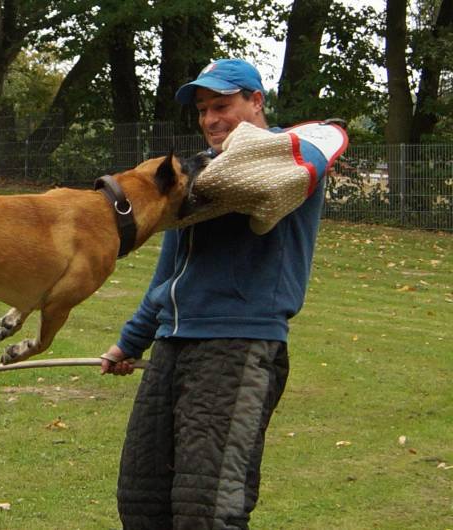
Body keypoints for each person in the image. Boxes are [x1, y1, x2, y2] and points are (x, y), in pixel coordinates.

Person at [99, 58, 346, 529]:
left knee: (207, 509)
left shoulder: (288, 161)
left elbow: (313, 147)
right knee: (142, 502)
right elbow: (169, 274)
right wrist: (129, 342)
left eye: (222, 106)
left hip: (238, 344)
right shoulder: (194, 179)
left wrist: (178, 187)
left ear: (257, 102)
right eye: (202, 110)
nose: (211, 119)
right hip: (173, 343)